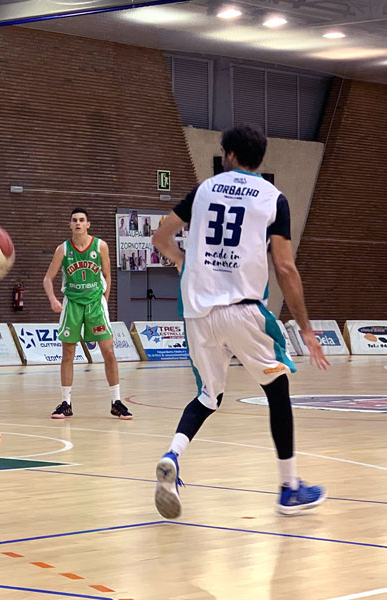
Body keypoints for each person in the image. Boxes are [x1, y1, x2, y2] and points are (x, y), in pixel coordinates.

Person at [151, 124, 330, 519]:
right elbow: (285, 267)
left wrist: (184, 261)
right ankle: (290, 488)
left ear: (229, 155)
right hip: (243, 309)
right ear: (259, 158)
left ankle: (173, 455)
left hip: (198, 312)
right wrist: (305, 327)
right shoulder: (273, 198)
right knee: (277, 387)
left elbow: (160, 238)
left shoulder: (204, 190)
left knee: (208, 395)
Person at [43, 209, 131, 420]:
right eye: (74, 220)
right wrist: (53, 299)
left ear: (88, 224)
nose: (78, 223)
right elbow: (47, 279)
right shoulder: (63, 249)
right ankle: (66, 403)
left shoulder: (100, 246)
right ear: (70, 225)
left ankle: (116, 401)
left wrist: (104, 301)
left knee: (108, 351)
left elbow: (107, 276)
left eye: (82, 220)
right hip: (72, 304)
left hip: (95, 303)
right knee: (68, 353)